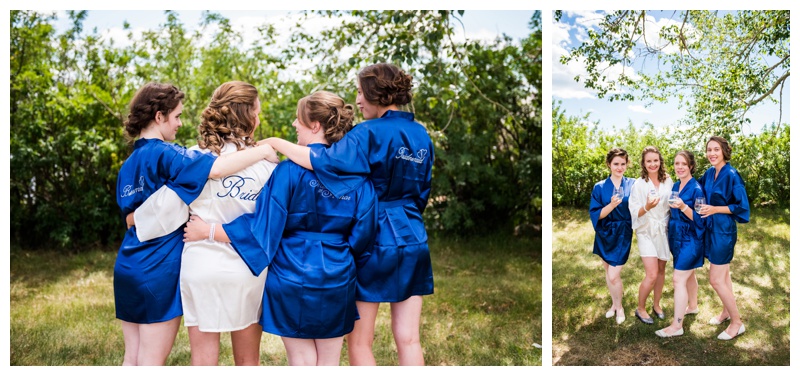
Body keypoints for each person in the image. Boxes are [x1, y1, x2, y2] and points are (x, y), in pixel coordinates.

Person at [185, 90, 378, 366]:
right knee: (330, 360)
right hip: (338, 274)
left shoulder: (286, 172)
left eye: (298, 120)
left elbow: (264, 226)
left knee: (301, 359)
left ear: (314, 125)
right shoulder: (360, 178)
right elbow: (364, 234)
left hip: (291, 271)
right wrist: (343, 256)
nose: (294, 125)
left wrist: (210, 231)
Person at [261, 63, 434, 365]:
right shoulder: (421, 135)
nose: (357, 100)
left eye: (359, 92)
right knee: (409, 337)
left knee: (360, 342)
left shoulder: (365, 133)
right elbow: (422, 192)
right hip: (414, 238)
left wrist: (277, 143)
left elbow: (323, 161)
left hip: (376, 238)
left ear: (374, 92)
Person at [115, 82, 277, 366]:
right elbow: (268, 226)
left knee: (198, 361)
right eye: (258, 112)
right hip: (245, 269)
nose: (179, 122)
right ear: (249, 116)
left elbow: (157, 208)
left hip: (193, 265)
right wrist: (267, 149)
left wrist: (134, 219)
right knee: (248, 361)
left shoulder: (185, 155)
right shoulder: (266, 166)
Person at [698, 136, 750, 340]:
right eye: (709, 149)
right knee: (725, 276)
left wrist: (715, 208)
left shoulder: (731, 175)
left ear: (724, 151)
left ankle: (737, 323)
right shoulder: (710, 173)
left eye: (716, 149)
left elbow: (742, 206)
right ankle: (726, 312)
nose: (712, 153)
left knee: (716, 279)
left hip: (723, 232)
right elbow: (697, 188)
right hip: (711, 230)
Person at [655, 150, 704, 338]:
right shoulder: (675, 185)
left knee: (678, 279)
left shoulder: (697, 189)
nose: (680, 167)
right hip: (676, 237)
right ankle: (692, 306)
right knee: (688, 276)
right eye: (677, 164)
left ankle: (677, 326)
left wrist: (684, 207)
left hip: (691, 238)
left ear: (691, 166)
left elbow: (700, 220)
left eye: (684, 164)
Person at [589, 148, 635, 325]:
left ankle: (620, 307)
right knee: (608, 272)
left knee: (614, 274)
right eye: (616, 164)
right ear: (609, 164)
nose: (620, 167)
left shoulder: (633, 184)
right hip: (604, 232)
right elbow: (596, 214)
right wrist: (611, 205)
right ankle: (614, 305)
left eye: (623, 164)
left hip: (623, 232)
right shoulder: (599, 187)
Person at [628, 146, 673, 324]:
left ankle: (656, 304)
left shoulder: (668, 181)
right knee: (652, 273)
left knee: (662, 270)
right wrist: (647, 206)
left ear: (660, 161)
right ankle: (640, 308)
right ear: (644, 163)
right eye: (649, 161)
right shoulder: (638, 185)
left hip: (663, 230)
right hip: (646, 230)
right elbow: (634, 212)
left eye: (655, 160)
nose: (653, 164)